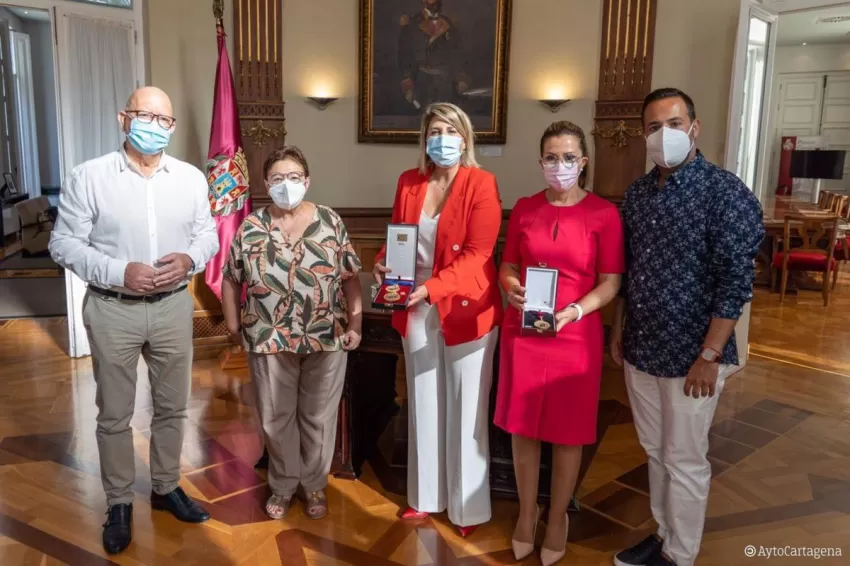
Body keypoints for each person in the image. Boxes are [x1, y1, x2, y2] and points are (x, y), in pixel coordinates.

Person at [49, 86, 219, 555]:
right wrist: (118, 271)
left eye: (163, 119)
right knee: (115, 414)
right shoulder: (89, 177)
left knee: (172, 406)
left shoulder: (189, 179)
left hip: (172, 307)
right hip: (112, 308)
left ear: (173, 127)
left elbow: (207, 235)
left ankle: (166, 488)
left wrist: (190, 258)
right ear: (124, 117)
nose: (154, 125)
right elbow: (63, 244)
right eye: (145, 115)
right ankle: (120, 502)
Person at [611, 88, 764, 566]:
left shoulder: (725, 193)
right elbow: (628, 270)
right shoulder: (637, 194)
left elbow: (736, 283)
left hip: (693, 355)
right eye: (654, 127)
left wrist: (710, 356)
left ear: (694, 128)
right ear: (643, 135)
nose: (664, 135)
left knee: (685, 458)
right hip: (641, 346)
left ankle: (681, 554)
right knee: (655, 452)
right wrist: (619, 329)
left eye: (674, 124)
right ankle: (663, 534)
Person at [494, 121, 624, 565]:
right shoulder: (526, 208)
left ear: (583, 162)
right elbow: (508, 264)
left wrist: (576, 311)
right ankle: (527, 514)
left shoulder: (604, 214)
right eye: (552, 157)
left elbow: (610, 283)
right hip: (524, 331)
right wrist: (510, 286)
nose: (560, 165)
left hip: (574, 332)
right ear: (541, 162)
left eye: (569, 157)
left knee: (568, 431)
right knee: (524, 426)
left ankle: (557, 517)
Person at [372, 102, 503, 537]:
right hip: (415, 306)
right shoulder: (410, 182)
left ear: (464, 138)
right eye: (434, 129)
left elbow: (479, 256)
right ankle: (425, 497)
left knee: (466, 410)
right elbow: (399, 238)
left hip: (466, 307)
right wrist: (382, 263)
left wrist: (428, 290)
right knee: (423, 401)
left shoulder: (481, 183)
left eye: (450, 129)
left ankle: (467, 510)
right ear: (424, 138)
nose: (441, 137)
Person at [221, 146, 363, 521]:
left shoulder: (330, 221)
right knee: (275, 416)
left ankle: (314, 484)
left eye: (294, 177)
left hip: (326, 335)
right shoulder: (250, 227)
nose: (287, 185)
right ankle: (283, 485)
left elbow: (350, 279)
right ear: (266, 183)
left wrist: (356, 323)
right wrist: (234, 326)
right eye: (278, 179)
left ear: (307, 180)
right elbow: (231, 280)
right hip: (268, 338)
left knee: (317, 416)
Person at [398, 0, 470, 112]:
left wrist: (460, 78)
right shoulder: (411, 24)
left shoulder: (449, 24)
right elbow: (405, 56)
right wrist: (408, 84)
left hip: (445, 82)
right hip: (421, 81)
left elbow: (457, 54)